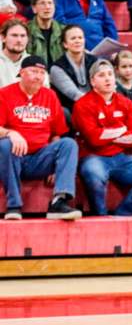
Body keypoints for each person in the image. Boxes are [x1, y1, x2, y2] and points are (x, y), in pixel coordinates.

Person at [72, 59, 132, 216]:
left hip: (122, 156)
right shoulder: (82, 104)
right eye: (101, 75)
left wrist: (107, 134)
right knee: (93, 173)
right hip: (94, 157)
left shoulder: (127, 104)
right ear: (93, 81)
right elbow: (94, 138)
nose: (108, 78)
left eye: (110, 74)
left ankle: (121, 215)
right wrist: (120, 131)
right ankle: (100, 217)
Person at [0, 55, 82, 220]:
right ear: (21, 72)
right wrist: (11, 133)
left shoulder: (50, 96)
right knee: (5, 145)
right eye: (33, 71)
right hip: (13, 158)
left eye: (41, 72)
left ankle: (59, 202)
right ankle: (13, 205)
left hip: (40, 158)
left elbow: (56, 133)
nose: (38, 76)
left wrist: (57, 165)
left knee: (69, 144)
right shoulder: (4, 94)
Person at [49, 24, 97, 113]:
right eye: (73, 38)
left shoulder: (94, 60)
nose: (77, 41)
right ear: (65, 44)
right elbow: (74, 94)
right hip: (72, 109)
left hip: (96, 106)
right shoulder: (56, 68)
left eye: (80, 38)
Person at [0, 18, 45, 88]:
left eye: (23, 36)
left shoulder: (35, 63)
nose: (19, 40)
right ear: (3, 38)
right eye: (14, 35)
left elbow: (44, 92)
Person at [27, 0, 64, 66]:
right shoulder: (26, 31)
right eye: (42, 3)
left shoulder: (64, 31)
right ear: (34, 9)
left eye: (50, 3)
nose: (47, 7)